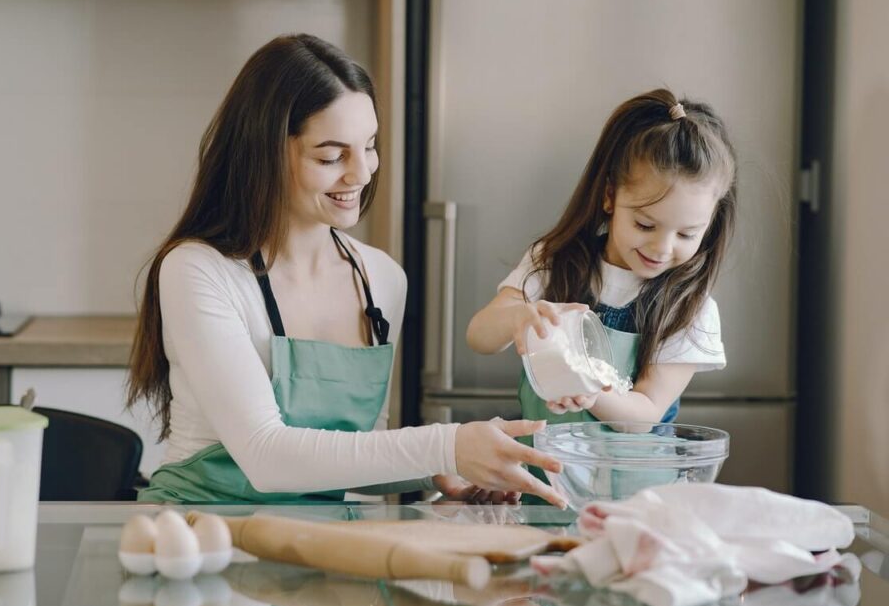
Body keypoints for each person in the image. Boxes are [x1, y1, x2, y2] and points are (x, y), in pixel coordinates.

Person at [126, 33, 566, 507]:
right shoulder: (198, 270)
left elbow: (351, 455)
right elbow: (266, 455)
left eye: (370, 147)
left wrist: (443, 470)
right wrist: (446, 445)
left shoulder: (381, 280)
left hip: (314, 546)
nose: (361, 173)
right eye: (332, 156)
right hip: (199, 540)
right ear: (266, 152)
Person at [467, 89, 736, 493]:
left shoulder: (690, 308)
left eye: (687, 233)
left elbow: (642, 415)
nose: (662, 248)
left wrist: (584, 386)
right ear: (610, 197)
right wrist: (516, 317)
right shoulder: (554, 263)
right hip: (541, 483)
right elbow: (480, 337)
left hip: (635, 499)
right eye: (646, 225)